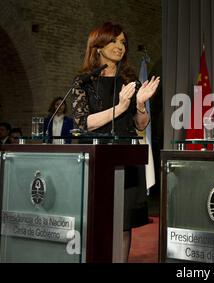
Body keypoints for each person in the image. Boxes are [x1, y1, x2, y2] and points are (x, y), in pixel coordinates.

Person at [72, 22, 160, 262]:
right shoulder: (84, 81)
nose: (120, 46)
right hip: (96, 159)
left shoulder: (129, 80)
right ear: (98, 46)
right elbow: (82, 123)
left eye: (123, 42)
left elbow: (141, 125)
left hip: (125, 157)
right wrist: (119, 107)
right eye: (114, 41)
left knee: (123, 223)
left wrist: (140, 104)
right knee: (95, 218)